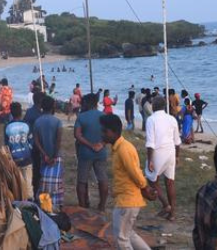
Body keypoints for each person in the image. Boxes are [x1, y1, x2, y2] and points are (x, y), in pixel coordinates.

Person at [100, 113, 150, 250]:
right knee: (129, 234)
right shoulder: (118, 147)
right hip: (126, 199)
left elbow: (135, 172)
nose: (102, 134)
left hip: (127, 202)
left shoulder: (124, 149)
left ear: (115, 132)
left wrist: (146, 188)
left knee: (121, 239)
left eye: (105, 131)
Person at [144, 95, 180, 220]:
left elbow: (150, 142)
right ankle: (172, 214)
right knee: (170, 182)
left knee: (152, 180)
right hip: (171, 151)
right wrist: (177, 156)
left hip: (158, 152)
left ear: (153, 106)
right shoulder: (172, 119)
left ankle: (166, 205)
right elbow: (177, 141)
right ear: (164, 106)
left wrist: (150, 160)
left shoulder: (151, 119)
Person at [74, 92, 110, 211]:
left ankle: (83, 206)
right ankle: (102, 205)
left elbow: (77, 135)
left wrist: (90, 144)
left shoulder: (81, 117)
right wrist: (102, 144)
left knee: (82, 180)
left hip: (85, 153)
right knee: (102, 178)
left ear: (85, 103)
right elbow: (110, 134)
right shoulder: (103, 115)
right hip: (101, 152)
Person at [33, 95, 65, 210]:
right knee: (56, 184)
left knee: (44, 182)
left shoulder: (37, 121)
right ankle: (56, 206)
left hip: (44, 157)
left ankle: (44, 205)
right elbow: (58, 140)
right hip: (56, 157)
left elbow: (36, 140)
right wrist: (54, 156)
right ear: (53, 107)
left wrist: (44, 154)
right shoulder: (57, 122)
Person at [4, 102, 34, 199]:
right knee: (28, 185)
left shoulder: (7, 127)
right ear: (21, 112)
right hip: (26, 159)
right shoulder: (26, 125)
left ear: (11, 113)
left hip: (13, 160)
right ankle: (30, 203)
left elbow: (6, 145)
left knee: (16, 186)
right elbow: (31, 142)